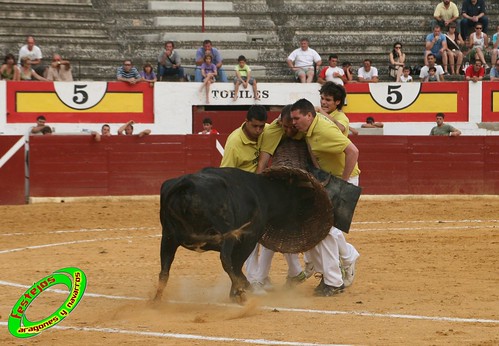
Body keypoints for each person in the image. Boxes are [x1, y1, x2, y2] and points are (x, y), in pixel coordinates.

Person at [289, 98, 360, 296]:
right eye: (292, 119)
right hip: (330, 179)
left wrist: (343, 183)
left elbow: (353, 152)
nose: (294, 122)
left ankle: (335, 277)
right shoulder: (311, 127)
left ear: (309, 116)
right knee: (323, 230)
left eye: (297, 118)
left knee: (326, 230)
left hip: (343, 180)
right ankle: (338, 269)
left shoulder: (323, 130)